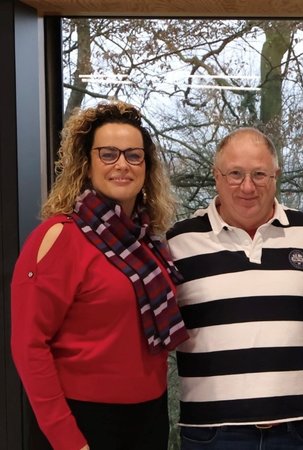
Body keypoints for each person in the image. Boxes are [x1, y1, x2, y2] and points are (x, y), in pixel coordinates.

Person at [11, 101, 187, 450]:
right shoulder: (59, 237)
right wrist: (67, 440)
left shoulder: (148, 241)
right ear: (86, 163)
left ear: (146, 167)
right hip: (82, 421)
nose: (122, 164)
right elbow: (29, 346)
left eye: (133, 155)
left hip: (149, 417)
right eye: (108, 154)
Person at [166, 127, 303, 450]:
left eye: (259, 174)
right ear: (217, 177)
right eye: (235, 174)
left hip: (294, 431)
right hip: (211, 433)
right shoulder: (179, 242)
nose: (247, 186)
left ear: (276, 175)